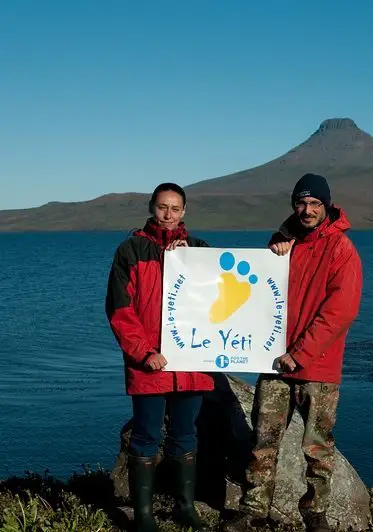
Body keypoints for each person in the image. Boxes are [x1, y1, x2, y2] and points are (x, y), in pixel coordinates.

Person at [224, 173, 363, 532]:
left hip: (318, 367)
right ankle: (254, 510)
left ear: (327, 206)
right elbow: (260, 291)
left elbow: (341, 311)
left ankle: (314, 515)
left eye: (315, 203)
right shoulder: (282, 245)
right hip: (273, 363)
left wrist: (299, 354)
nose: (307, 210)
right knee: (263, 441)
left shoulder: (342, 250)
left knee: (317, 450)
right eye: (301, 203)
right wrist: (276, 248)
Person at [105, 183, 213, 532]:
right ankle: (145, 517)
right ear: (152, 207)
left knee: (186, 435)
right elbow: (120, 309)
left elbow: (221, 300)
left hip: (191, 363)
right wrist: (142, 352)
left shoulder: (199, 249)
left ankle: (184, 508)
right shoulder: (131, 250)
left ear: (185, 211)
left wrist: (191, 265)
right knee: (146, 436)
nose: (168, 215)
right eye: (162, 207)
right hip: (151, 363)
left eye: (175, 208)